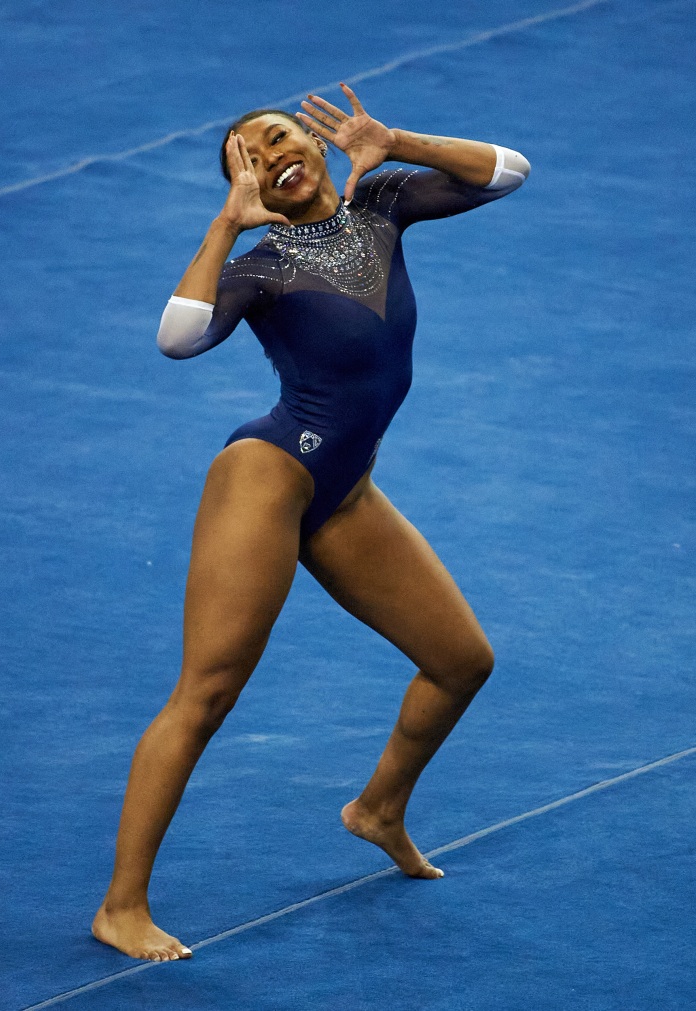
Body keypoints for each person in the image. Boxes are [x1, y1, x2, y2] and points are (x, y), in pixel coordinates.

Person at [92, 83, 530, 962]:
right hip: (268, 477)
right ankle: (121, 906)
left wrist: (396, 137)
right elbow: (178, 340)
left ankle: (377, 810)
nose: (272, 153)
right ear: (245, 185)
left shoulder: (383, 204)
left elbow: (507, 173)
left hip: (347, 489)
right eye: (249, 157)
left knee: (460, 662)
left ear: (320, 143)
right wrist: (227, 226)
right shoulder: (258, 266)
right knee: (207, 692)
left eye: (280, 135)